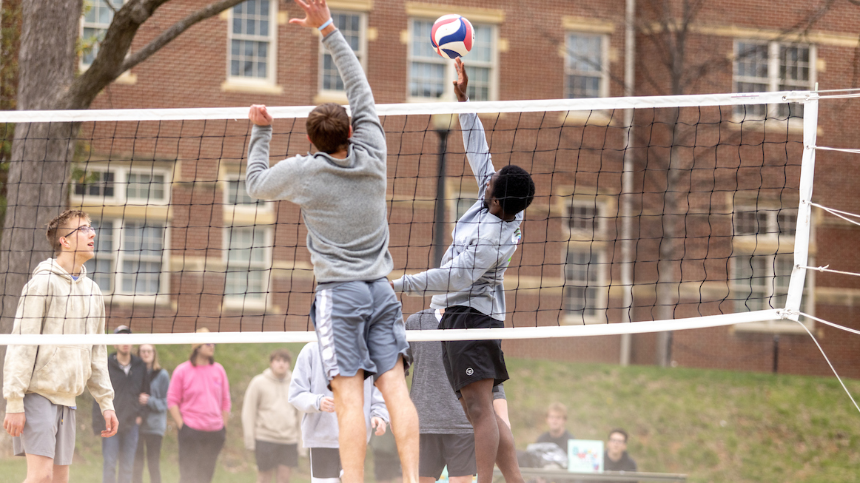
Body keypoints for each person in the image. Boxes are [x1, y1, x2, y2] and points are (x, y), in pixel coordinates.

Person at [245, 2, 419, 483]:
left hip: (339, 296)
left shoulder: (305, 172)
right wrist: (327, 27)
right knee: (398, 393)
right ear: (350, 131)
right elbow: (359, 87)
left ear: (313, 140)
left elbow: (255, 184)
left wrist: (261, 132)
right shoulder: (374, 152)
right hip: (382, 291)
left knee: (348, 397)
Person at [392, 58, 536, 483]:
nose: (486, 180)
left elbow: (452, 277)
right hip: (461, 315)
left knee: (478, 410)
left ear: (497, 204)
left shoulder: (493, 239)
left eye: (491, 186)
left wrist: (399, 282)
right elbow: (479, 151)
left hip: (473, 317)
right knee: (481, 408)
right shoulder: (499, 196)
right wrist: (464, 100)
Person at [3, 209, 118, 483]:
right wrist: (14, 401)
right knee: (41, 477)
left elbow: (97, 354)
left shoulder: (93, 292)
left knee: (58, 480)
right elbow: (22, 344)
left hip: (69, 400)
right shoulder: (42, 284)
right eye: (82, 229)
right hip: (38, 394)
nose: (92, 233)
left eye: (91, 227)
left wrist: (107, 403)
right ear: (64, 241)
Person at [406, 309, 510, 483]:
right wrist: (394, 411)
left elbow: (491, 379)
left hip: (464, 424)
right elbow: (397, 367)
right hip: (424, 423)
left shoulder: (475, 320)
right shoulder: (416, 322)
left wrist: (504, 419)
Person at [288, 342, 389, 483]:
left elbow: (379, 393)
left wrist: (379, 415)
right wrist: (317, 401)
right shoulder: (311, 351)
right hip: (322, 441)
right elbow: (296, 394)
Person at [167, 328, 231, 483]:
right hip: (191, 431)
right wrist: (182, 425)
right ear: (197, 346)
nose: (212, 346)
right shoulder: (182, 371)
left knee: (206, 476)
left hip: (214, 432)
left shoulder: (219, 370)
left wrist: (223, 426)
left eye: (213, 343)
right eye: (207, 343)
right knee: (188, 476)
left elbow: (226, 401)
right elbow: (172, 400)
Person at [92, 325, 149, 483]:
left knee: (127, 466)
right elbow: (98, 393)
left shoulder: (140, 366)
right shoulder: (106, 365)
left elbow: (146, 393)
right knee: (110, 464)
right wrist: (98, 423)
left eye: (128, 339)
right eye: (121, 339)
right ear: (114, 344)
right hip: (110, 424)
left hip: (132, 424)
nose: (125, 343)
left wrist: (140, 416)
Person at [242, 349, 302, 483]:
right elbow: (249, 412)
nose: (282, 364)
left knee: (284, 478)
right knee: (264, 478)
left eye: (285, 361)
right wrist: (250, 440)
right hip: (265, 438)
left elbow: (301, 414)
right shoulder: (258, 382)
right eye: (278, 360)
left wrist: (302, 443)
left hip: (289, 439)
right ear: (271, 363)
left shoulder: (296, 384)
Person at [133, 344, 170, 483]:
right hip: (137, 425)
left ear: (154, 354)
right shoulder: (134, 374)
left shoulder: (162, 375)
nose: (146, 354)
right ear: (138, 353)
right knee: (137, 464)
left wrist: (149, 400)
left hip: (154, 427)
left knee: (153, 464)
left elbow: (167, 402)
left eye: (149, 351)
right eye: (143, 351)